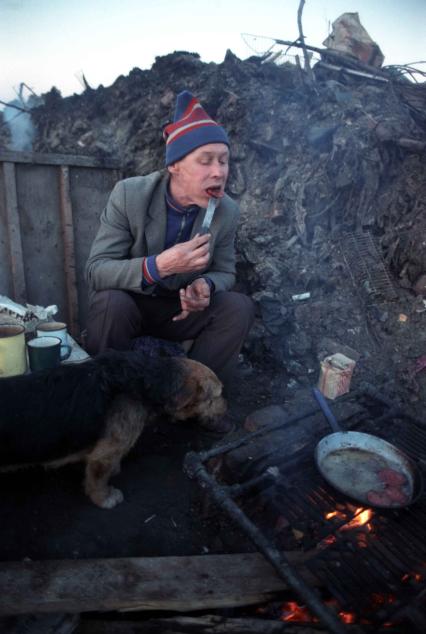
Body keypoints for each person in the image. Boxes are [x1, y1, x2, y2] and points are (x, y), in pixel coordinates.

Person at [85, 90, 254, 392]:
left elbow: (225, 272)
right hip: (132, 306)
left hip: (180, 311)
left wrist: (206, 286)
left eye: (224, 161)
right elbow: (97, 270)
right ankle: (110, 400)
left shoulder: (225, 210)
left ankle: (194, 397)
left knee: (237, 308)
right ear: (174, 165)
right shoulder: (130, 195)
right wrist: (158, 266)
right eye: (206, 161)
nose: (219, 171)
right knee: (110, 302)